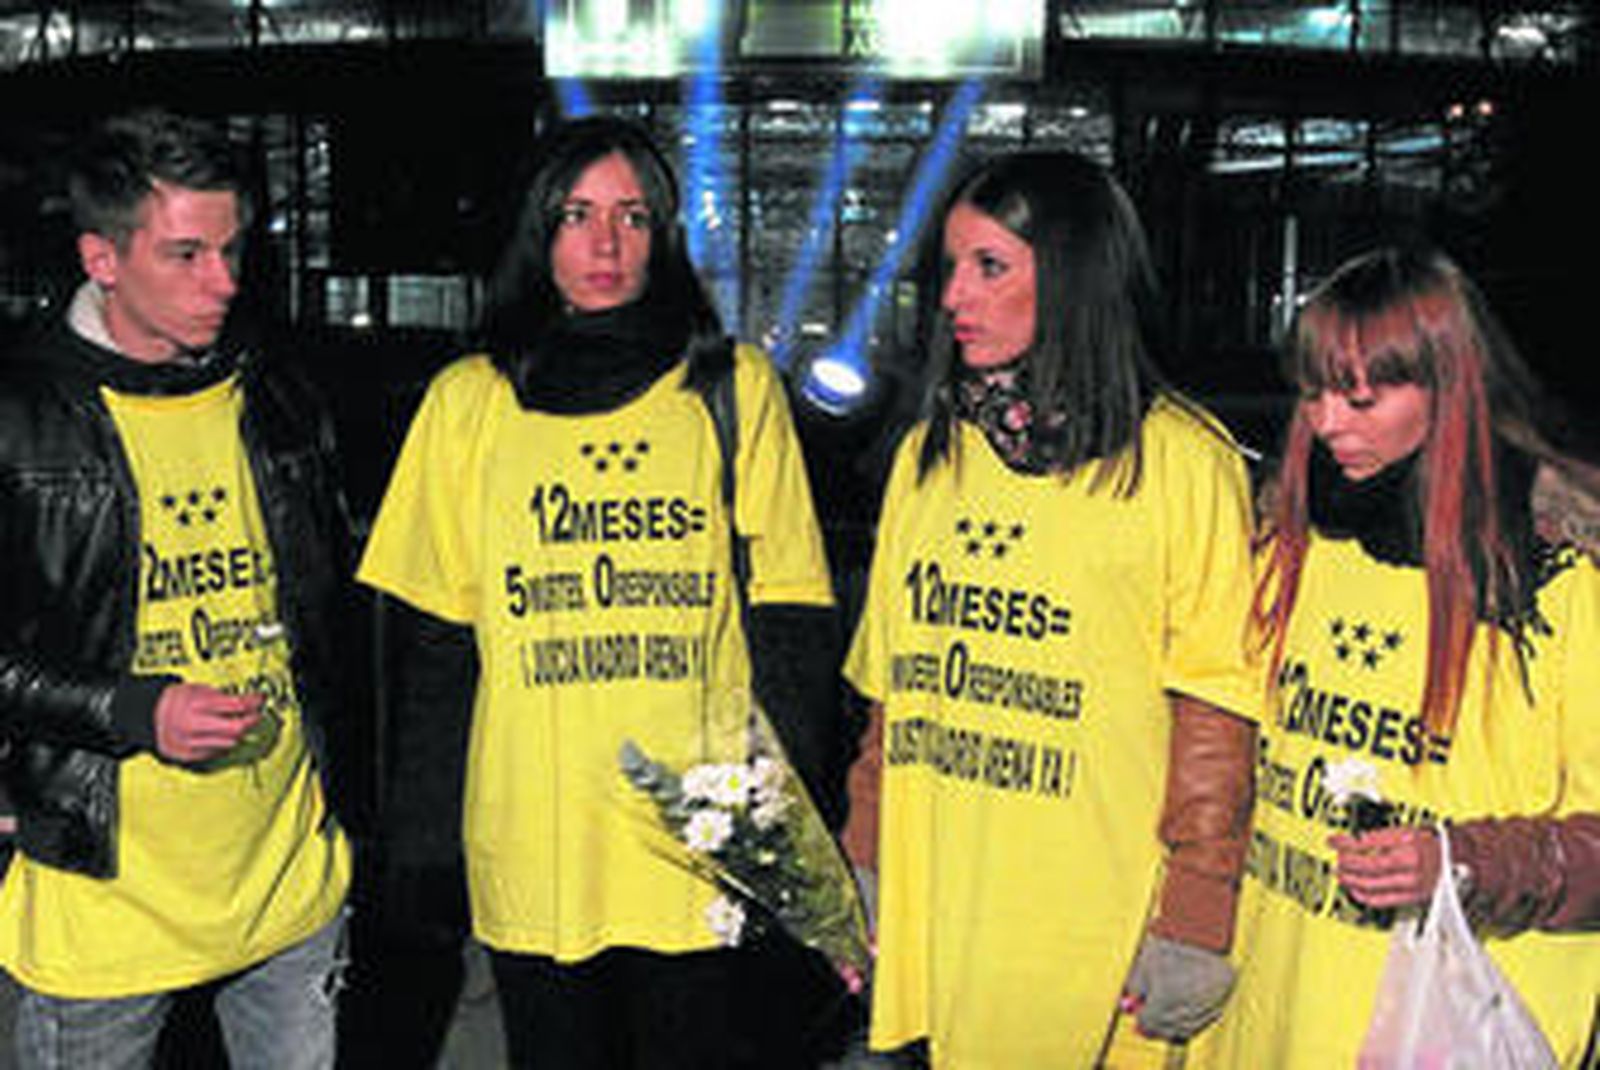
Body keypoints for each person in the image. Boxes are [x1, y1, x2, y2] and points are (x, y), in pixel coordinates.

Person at [356, 115, 846, 1068]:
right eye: (577, 215)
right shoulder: (468, 401)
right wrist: (418, 840)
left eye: (632, 216)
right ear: (538, 232)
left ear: (663, 234)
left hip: (699, 843)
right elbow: (434, 648)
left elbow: (790, 623)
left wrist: (790, 833)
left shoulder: (733, 388)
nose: (606, 244)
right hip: (535, 839)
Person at [839, 151, 1259, 1067]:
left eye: (990, 266)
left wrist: (1197, 911)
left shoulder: (1186, 462)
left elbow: (1217, 712)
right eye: (951, 267)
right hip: (948, 896)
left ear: (1073, 275)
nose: (955, 296)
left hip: (1098, 916)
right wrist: (863, 859)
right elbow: (889, 700)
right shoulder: (927, 457)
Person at [0, 110, 359, 1068]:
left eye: (232, 249)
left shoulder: (276, 393)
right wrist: (132, 709)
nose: (225, 281)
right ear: (102, 259)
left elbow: (335, 620)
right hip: (104, 904)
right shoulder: (21, 416)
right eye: (186, 254)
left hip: (288, 890)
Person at [1198, 246, 1600, 1067]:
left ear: (1450, 388)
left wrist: (1463, 863)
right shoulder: (1289, 544)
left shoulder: (1560, 579)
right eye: (1312, 392)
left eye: (1361, 398)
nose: (1326, 423)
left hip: (1451, 1028)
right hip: (1273, 1018)